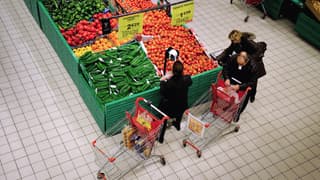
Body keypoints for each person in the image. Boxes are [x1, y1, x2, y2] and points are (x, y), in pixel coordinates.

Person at [158, 60, 192, 143]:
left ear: (172, 71)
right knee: (179, 112)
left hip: (169, 110)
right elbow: (189, 80)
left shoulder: (170, 83)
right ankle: (177, 125)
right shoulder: (186, 80)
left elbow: (162, 92)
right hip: (182, 107)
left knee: (164, 115)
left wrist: (163, 79)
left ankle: (161, 137)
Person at [222, 51, 258, 122]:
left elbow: (252, 82)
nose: (239, 65)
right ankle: (230, 106)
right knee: (231, 94)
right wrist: (226, 78)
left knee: (244, 99)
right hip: (233, 78)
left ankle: (238, 112)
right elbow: (225, 68)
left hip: (245, 82)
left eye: (241, 64)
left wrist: (240, 87)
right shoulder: (233, 58)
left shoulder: (253, 67)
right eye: (238, 63)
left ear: (246, 62)